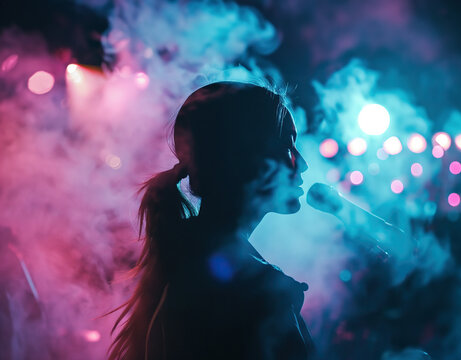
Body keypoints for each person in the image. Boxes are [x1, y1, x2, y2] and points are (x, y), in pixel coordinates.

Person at [108, 82, 312, 360]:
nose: (301, 164)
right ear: (246, 159)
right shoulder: (248, 288)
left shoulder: (188, 260)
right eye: (287, 146)